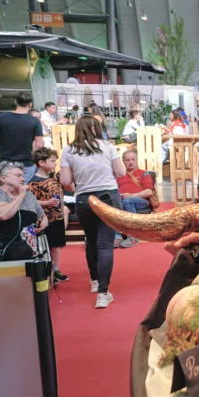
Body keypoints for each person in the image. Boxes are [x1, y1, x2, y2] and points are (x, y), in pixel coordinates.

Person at [60, 116, 126, 309]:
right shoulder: (107, 146)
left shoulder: (69, 150)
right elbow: (121, 172)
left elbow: (65, 181)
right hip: (107, 196)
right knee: (105, 244)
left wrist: (78, 186)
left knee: (90, 239)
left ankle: (95, 281)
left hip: (83, 199)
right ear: (97, 128)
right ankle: (103, 293)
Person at [0, 161, 47, 262]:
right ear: (3, 178)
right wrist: (20, 196)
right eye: (18, 176)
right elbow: (2, 215)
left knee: (23, 251)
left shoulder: (28, 195)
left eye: (23, 176)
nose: (23, 179)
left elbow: (41, 215)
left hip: (20, 243)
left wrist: (43, 222)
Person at [28, 148, 68, 281]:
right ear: (41, 162)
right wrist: (46, 203)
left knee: (57, 245)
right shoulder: (34, 181)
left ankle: (56, 269)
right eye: (52, 161)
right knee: (46, 245)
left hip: (57, 217)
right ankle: (47, 268)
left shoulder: (55, 177)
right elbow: (31, 201)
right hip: (44, 218)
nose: (54, 163)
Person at [0, 93, 44, 183]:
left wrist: (0, 153)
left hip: (4, 161)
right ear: (30, 104)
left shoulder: (2, 117)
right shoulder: (35, 121)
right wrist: (35, 159)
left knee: (3, 190)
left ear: (15, 102)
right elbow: (39, 144)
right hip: (26, 163)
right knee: (22, 190)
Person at [115, 150, 156, 248]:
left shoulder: (144, 174)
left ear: (137, 160)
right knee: (112, 203)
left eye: (133, 159)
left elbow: (149, 192)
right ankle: (116, 236)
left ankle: (133, 236)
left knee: (127, 201)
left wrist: (131, 196)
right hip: (121, 200)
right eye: (127, 160)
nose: (130, 162)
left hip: (141, 201)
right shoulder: (118, 175)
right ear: (123, 162)